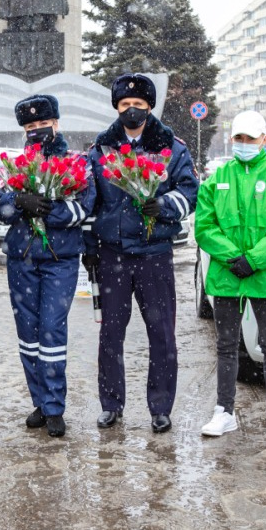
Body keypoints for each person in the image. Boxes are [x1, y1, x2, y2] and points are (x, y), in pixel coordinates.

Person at [85, 73, 199, 433]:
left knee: (161, 334)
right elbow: (91, 202)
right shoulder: (101, 149)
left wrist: (162, 204)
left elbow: (189, 192)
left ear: (150, 107)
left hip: (154, 254)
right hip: (113, 254)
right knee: (110, 335)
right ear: (116, 108)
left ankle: (160, 406)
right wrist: (91, 249)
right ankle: (111, 404)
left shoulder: (172, 147)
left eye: (138, 105)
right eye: (124, 105)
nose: (131, 110)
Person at [0, 94, 96, 438]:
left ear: (56, 124)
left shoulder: (77, 163)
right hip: (21, 259)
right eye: (30, 126)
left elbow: (85, 207)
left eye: (42, 124)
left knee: (51, 330)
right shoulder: (15, 166)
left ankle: (54, 406)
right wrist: (18, 201)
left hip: (59, 260)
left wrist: (52, 211)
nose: (36, 131)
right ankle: (39, 399)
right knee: (28, 335)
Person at [194, 110, 266, 443]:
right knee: (226, 347)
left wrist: (253, 260)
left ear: (264, 140)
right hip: (228, 276)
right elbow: (204, 225)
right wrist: (230, 257)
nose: (244, 144)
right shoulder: (218, 176)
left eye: (250, 139)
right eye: (238, 138)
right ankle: (224, 412)